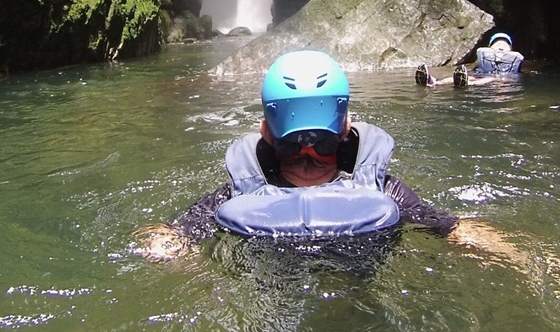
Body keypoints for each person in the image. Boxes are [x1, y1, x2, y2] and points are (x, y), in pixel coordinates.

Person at [134, 50, 527, 269]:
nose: (307, 156)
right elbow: (458, 230)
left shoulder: (233, 194)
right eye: (298, 145)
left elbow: (168, 239)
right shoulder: (384, 187)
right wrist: (529, 259)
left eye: (316, 144)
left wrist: (181, 261)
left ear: (265, 132)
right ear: (347, 127)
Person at [415, 32, 525, 87]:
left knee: (494, 79)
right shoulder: (484, 57)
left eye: (504, 45)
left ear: (511, 49)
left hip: (503, 79)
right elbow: (474, 69)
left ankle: (468, 83)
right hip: (482, 76)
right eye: (497, 44)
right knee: (467, 76)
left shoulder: (515, 60)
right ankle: (434, 83)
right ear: (490, 47)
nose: (500, 46)